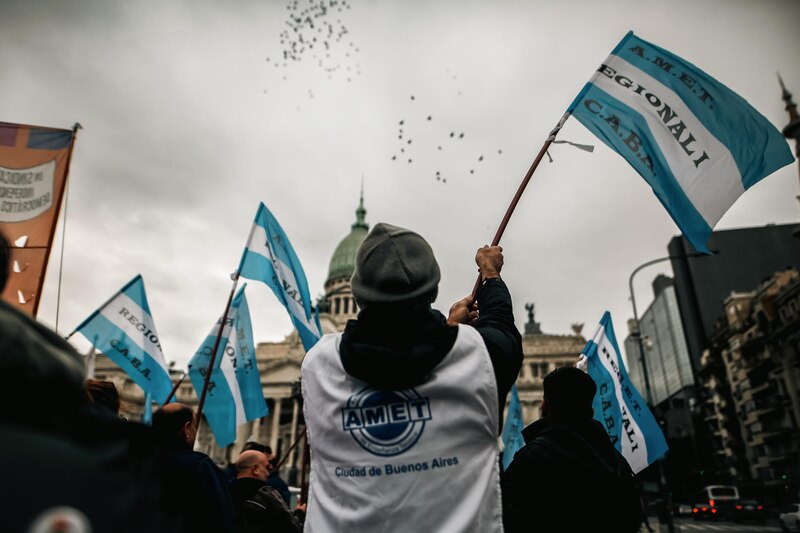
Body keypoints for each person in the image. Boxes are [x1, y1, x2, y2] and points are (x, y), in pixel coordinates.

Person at [301, 223, 523, 532]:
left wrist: (446, 330)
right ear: (432, 289)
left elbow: (394, 358)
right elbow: (500, 325)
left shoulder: (317, 366)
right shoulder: (479, 358)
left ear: (358, 293)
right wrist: (490, 274)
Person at [501, 366, 642, 532]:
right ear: (590, 410)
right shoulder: (618, 462)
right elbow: (632, 518)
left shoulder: (529, 459)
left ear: (544, 407)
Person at [152, 403, 237, 533]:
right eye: (194, 426)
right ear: (186, 428)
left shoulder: (134, 461)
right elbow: (223, 517)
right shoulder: (199, 466)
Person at [229, 450, 304, 533]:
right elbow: (292, 527)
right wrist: (300, 512)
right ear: (255, 469)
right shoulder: (266, 495)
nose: (268, 473)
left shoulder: (226, 492)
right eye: (267, 467)